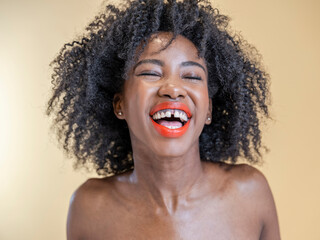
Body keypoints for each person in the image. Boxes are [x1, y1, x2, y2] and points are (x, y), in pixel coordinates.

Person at [47, 0, 280, 239]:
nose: (173, 89)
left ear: (208, 108)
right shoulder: (89, 208)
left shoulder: (251, 194)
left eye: (191, 76)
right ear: (120, 105)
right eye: (150, 73)